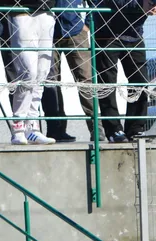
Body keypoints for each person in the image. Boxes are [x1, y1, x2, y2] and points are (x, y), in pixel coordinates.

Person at [94, 0, 156, 142]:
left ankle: (135, 129)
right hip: (107, 34)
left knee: (140, 82)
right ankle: (113, 130)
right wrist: (141, 4)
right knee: (107, 84)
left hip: (135, 35)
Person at [40, 0, 97, 142]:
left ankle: (96, 128)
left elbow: (95, 2)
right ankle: (55, 129)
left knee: (86, 80)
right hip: (47, 31)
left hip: (76, 30)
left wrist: (87, 24)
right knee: (49, 82)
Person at [7, 0, 57, 144]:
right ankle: (18, 128)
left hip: (46, 12)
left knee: (42, 72)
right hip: (21, 11)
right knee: (28, 73)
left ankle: (32, 127)